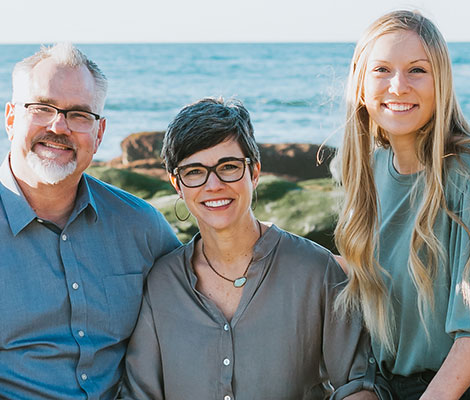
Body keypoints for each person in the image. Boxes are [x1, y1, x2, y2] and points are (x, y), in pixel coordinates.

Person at [0, 43, 180, 399]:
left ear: (99, 134)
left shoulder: (141, 227)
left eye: (80, 114)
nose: (59, 126)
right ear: (11, 118)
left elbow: (201, 314)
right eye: (41, 108)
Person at [119, 98, 385, 400]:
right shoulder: (161, 285)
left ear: (255, 172)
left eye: (229, 167)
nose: (214, 184)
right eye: (194, 171)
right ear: (177, 184)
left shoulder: (316, 270)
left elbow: (359, 385)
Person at [333, 10, 470, 400]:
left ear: (441, 83)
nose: (398, 86)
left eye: (417, 70)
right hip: (389, 385)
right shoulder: (371, 170)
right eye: (382, 69)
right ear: (361, 86)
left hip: (465, 389)